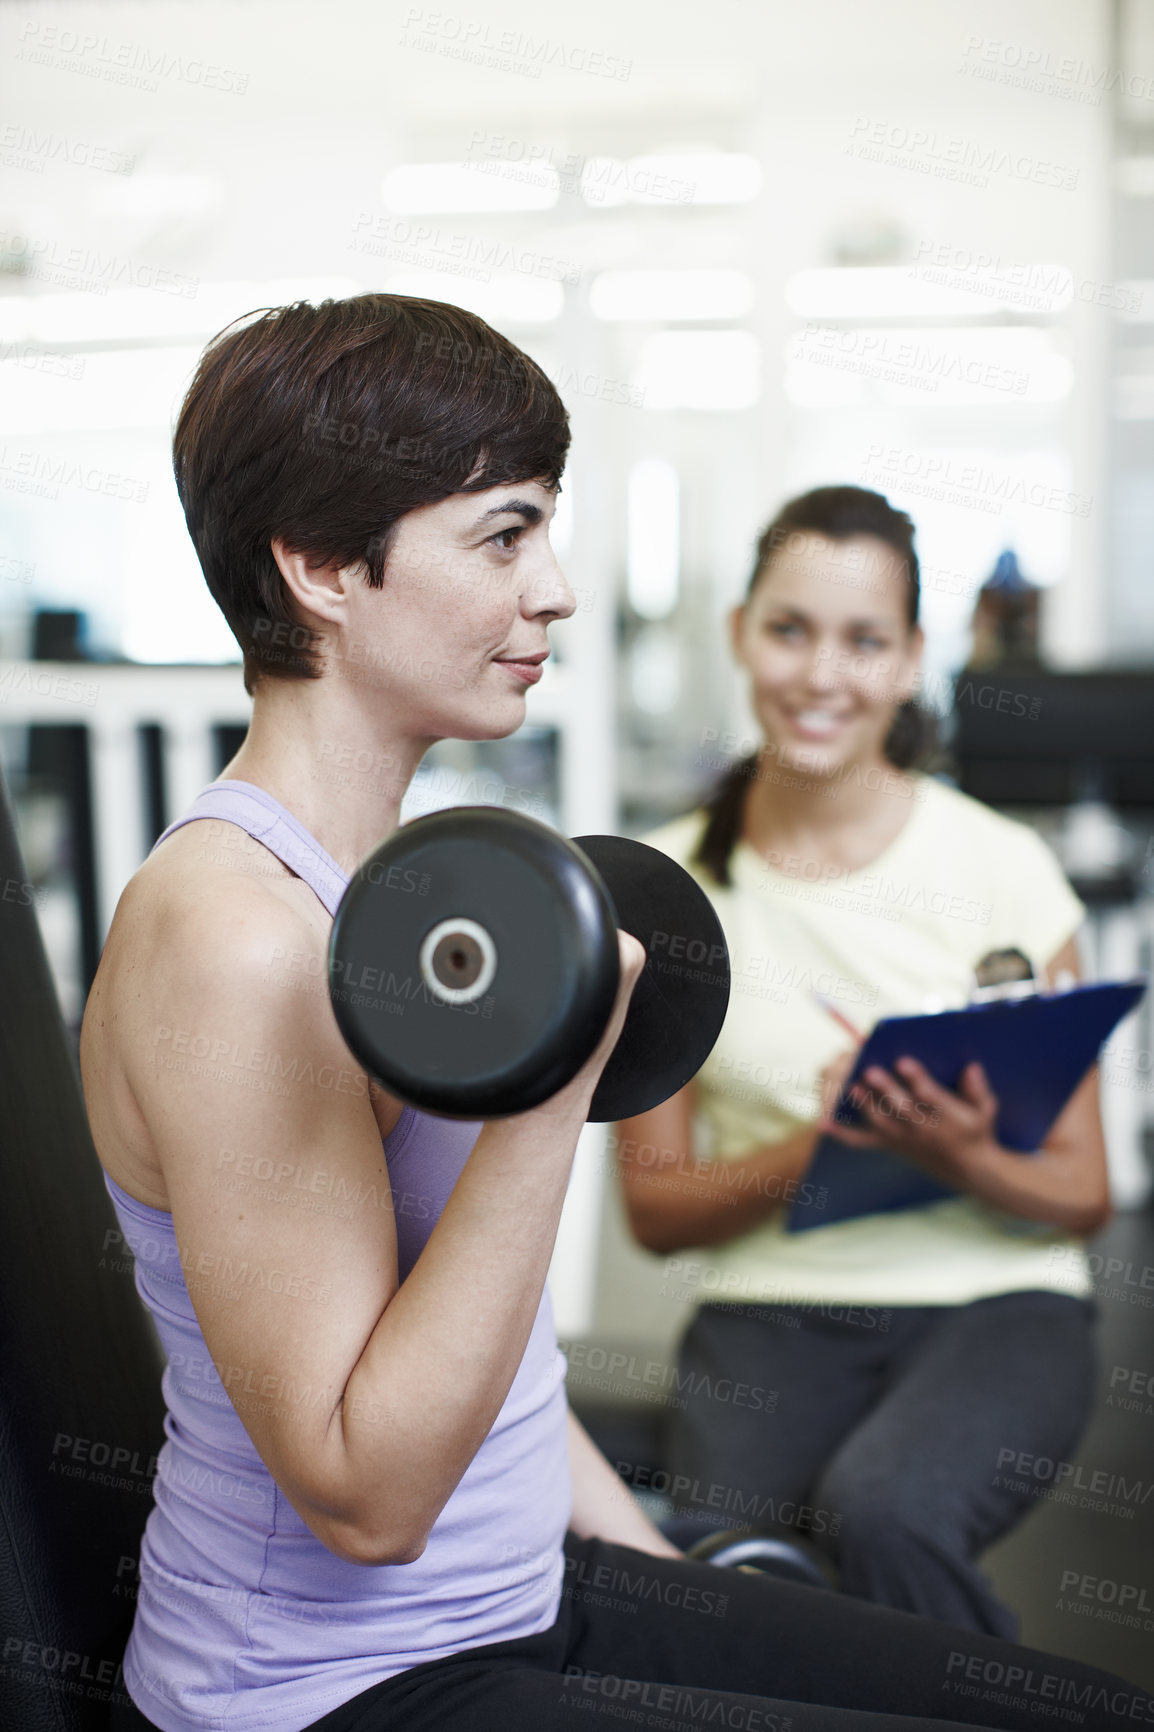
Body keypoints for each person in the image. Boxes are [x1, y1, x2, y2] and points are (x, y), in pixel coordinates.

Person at [80, 302, 1143, 1732]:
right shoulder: (232, 936)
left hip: (529, 1592)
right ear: (325, 567)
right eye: (504, 536)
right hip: (340, 1689)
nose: (558, 590)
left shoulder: (382, 893)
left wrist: (668, 1572)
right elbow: (364, 1496)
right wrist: (554, 1086)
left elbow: (487, 1356)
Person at [620, 485, 1110, 1641]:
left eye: (862, 640)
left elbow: (1080, 1197)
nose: (819, 675)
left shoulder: (1002, 871)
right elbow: (654, 1207)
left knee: (883, 1514)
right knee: (741, 1567)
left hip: (993, 1301)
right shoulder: (663, 891)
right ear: (740, 632)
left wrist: (947, 1146)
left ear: (909, 662)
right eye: (788, 630)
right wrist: (823, 1147)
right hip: (768, 1317)